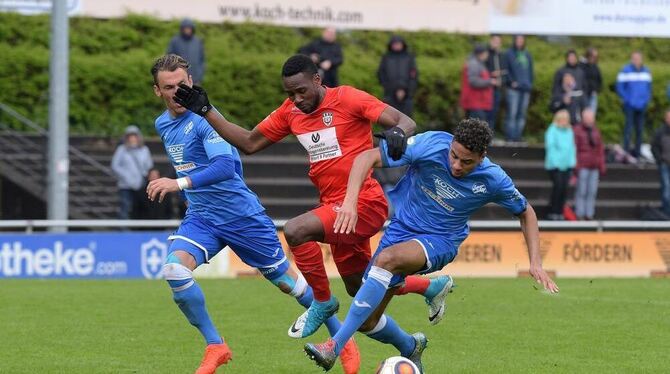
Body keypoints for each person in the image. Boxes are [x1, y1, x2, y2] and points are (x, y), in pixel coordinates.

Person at [173, 54, 452, 343]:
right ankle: (418, 323)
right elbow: (249, 142)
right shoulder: (290, 112)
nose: (295, 99)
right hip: (334, 208)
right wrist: (207, 110)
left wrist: (397, 133)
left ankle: (322, 301)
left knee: (295, 230)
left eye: (301, 91)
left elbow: (405, 121)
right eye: (289, 94)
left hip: (363, 203)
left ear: (317, 80)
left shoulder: (347, 98)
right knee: (361, 288)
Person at [147, 54, 360, 374]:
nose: (177, 93)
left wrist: (179, 182)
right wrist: (187, 186)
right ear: (157, 91)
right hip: (203, 217)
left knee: (291, 286)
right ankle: (215, 345)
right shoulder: (163, 124)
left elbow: (226, 166)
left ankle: (341, 341)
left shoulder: (207, 120)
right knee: (175, 271)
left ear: (191, 83)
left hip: (241, 217)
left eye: (182, 85)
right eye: (169, 87)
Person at [304, 119, 559, 372]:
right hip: (400, 231)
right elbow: (365, 159)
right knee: (368, 322)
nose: (456, 165)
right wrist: (350, 202)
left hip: (441, 241)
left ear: (482, 157)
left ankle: (333, 346)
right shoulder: (432, 145)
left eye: (466, 161)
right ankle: (411, 345)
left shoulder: (493, 179)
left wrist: (535, 262)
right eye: (454, 156)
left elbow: (526, 212)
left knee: (387, 260)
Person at [111, 125, 153, 219]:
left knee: (138, 207)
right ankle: (123, 229)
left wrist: (142, 175)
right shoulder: (122, 149)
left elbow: (149, 166)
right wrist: (126, 176)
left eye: (134, 136)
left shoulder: (144, 150)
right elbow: (115, 165)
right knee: (125, 206)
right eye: (130, 136)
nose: (132, 139)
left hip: (140, 185)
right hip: (125, 185)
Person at [616, 51, 652, 157]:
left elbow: (648, 88)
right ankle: (626, 151)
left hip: (642, 105)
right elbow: (620, 87)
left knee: (640, 130)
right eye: (634, 58)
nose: (636, 60)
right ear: (631, 59)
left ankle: (637, 152)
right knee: (628, 128)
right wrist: (627, 99)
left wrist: (646, 100)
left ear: (641, 59)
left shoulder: (646, 71)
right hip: (630, 105)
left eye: (638, 58)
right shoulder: (625, 70)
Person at [573, 109, 606, 220]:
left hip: (594, 165)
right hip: (583, 165)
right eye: (587, 118)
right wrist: (576, 165)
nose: (589, 120)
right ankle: (580, 213)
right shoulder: (577, 130)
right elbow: (574, 148)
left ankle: (589, 214)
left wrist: (601, 165)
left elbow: (600, 149)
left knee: (592, 191)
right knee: (581, 190)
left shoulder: (596, 131)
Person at [544, 110, 576, 220]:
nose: (564, 122)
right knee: (557, 187)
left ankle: (560, 211)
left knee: (564, 189)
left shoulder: (569, 131)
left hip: (566, 165)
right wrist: (555, 163)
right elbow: (551, 148)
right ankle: (553, 211)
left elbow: (572, 148)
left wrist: (572, 163)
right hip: (555, 166)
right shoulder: (552, 130)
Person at [377, 35, 418, 117]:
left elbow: (413, 74)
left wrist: (408, 90)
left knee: (406, 118)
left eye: (398, 43)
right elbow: (381, 73)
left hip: (407, 95)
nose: (396, 45)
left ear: (403, 44)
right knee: (391, 118)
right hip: (390, 94)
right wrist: (387, 87)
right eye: (394, 44)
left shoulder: (409, 57)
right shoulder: (386, 57)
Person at [503, 35, 534, 142]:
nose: (520, 42)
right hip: (514, 89)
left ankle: (517, 136)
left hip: (525, 89)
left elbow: (531, 71)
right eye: (518, 40)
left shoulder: (527, 54)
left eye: (522, 40)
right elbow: (505, 70)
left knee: (522, 114)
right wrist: (511, 82)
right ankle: (510, 137)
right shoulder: (509, 54)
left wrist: (530, 84)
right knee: (512, 113)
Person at [459, 44, 498, 123]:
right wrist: (490, 81)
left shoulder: (477, 63)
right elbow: (473, 81)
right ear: (481, 54)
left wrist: (490, 76)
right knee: (477, 128)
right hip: (476, 103)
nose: (487, 55)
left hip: (478, 102)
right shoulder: (474, 64)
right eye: (486, 53)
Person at [167, 18, 206, 84]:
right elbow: (169, 59)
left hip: (195, 79)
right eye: (185, 28)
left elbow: (202, 59)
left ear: (192, 29)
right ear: (182, 29)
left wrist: (200, 75)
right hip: (178, 79)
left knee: (194, 94)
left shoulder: (197, 41)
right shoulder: (175, 41)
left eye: (189, 28)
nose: (187, 30)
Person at [485, 34, 507, 130]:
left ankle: (491, 134)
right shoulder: (487, 54)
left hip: (498, 88)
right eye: (494, 41)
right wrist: (491, 74)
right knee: (486, 114)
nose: (496, 44)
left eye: (498, 42)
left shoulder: (501, 55)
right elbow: (482, 70)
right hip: (488, 88)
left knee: (494, 113)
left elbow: (505, 70)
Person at [651, 109, 670, 216]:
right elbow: (654, 147)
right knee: (666, 189)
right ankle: (667, 213)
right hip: (664, 164)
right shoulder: (660, 132)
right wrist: (660, 160)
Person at [580, 48, 602, 113]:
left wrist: (597, 90)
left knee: (592, 114)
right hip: (584, 94)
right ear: (588, 56)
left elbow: (599, 79)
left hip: (593, 94)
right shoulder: (581, 66)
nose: (594, 58)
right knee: (584, 114)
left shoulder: (595, 66)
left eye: (596, 57)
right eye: (593, 56)